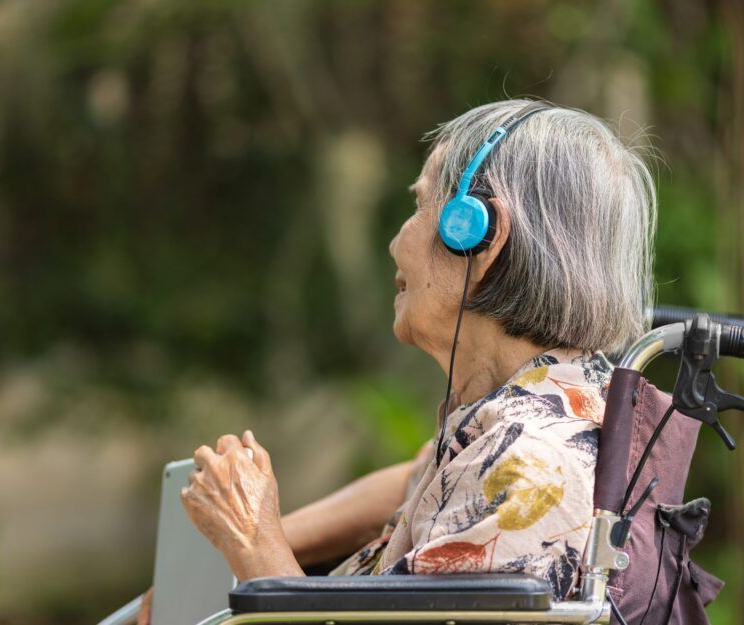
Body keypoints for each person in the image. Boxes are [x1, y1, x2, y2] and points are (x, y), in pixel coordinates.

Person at [137, 98, 655, 624]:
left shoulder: (530, 471)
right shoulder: (550, 404)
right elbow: (415, 476)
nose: (395, 243)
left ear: (479, 235)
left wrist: (253, 541)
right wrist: (247, 539)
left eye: (420, 205)